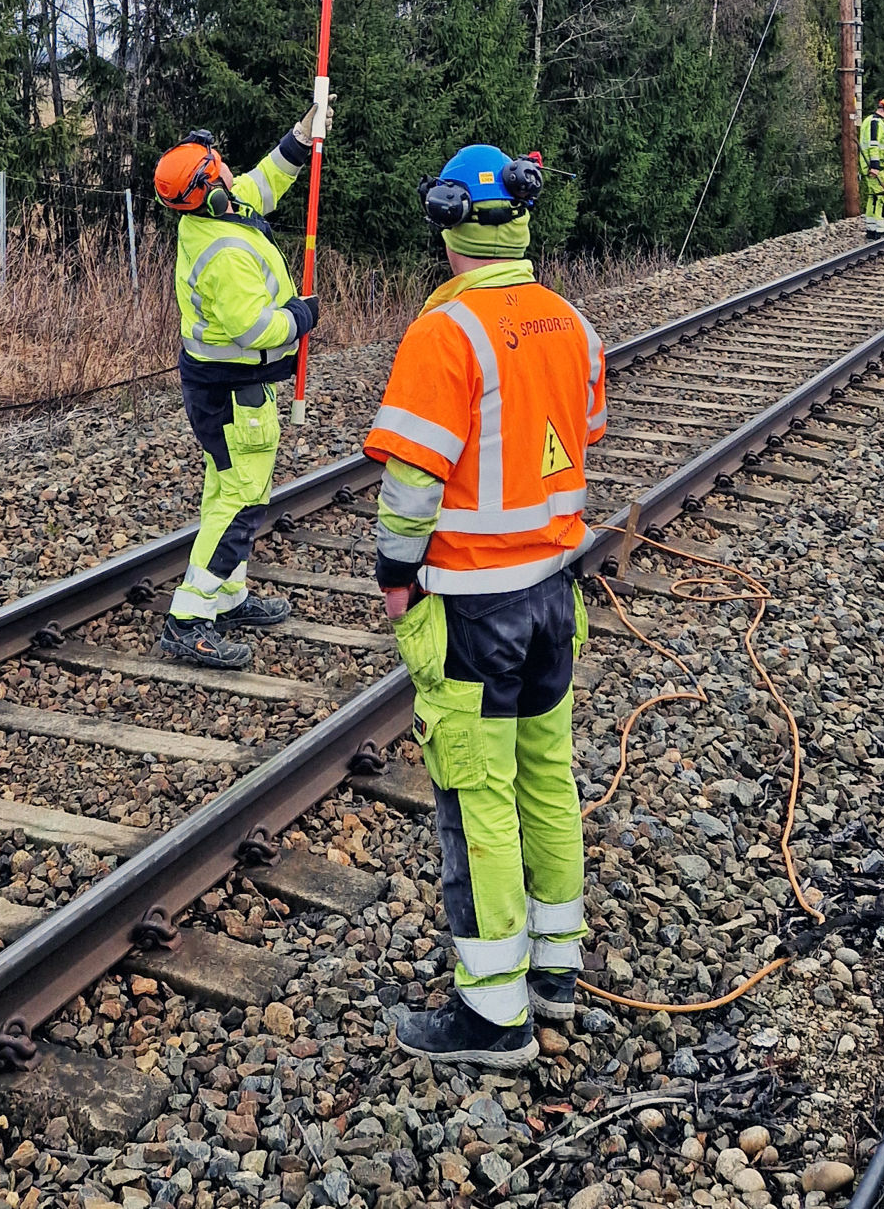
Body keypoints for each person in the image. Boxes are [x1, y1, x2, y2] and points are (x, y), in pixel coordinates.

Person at [366, 143, 606, 1071]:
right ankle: (556, 969)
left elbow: (413, 479)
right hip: (553, 596)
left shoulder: (446, 331)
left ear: (450, 220)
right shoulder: (569, 321)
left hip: (472, 605)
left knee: (477, 800)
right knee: (548, 777)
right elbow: (580, 433)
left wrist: (397, 573)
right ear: (522, 219)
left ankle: (492, 1014)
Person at [152, 107, 324, 670]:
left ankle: (227, 596)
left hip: (226, 385)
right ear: (209, 191)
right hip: (234, 388)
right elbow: (255, 328)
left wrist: (300, 139)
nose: (231, 172)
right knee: (242, 501)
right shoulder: (223, 253)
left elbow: (264, 181)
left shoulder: (215, 214)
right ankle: (191, 617)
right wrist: (299, 318)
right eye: (220, 168)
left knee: (225, 491)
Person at [859, 96, 884, 236]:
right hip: (878, 167)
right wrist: (875, 166)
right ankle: (881, 229)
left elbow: (875, 142)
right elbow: (873, 146)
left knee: (873, 197)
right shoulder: (876, 123)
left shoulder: (869, 121)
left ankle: (871, 228)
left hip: (870, 165)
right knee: (883, 196)